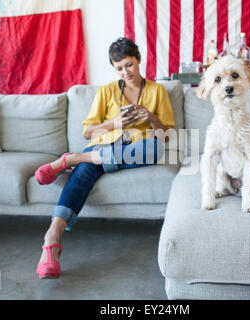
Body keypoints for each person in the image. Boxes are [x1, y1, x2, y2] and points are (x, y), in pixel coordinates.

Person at [35, 37, 175, 279]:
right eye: (119, 68)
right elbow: (89, 131)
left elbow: (166, 136)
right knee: (80, 179)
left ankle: (74, 158)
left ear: (139, 60)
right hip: (103, 145)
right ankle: (51, 240)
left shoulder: (157, 91)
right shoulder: (106, 91)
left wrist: (150, 117)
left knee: (156, 149)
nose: (126, 72)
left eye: (129, 65)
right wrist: (115, 123)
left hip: (137, 148)